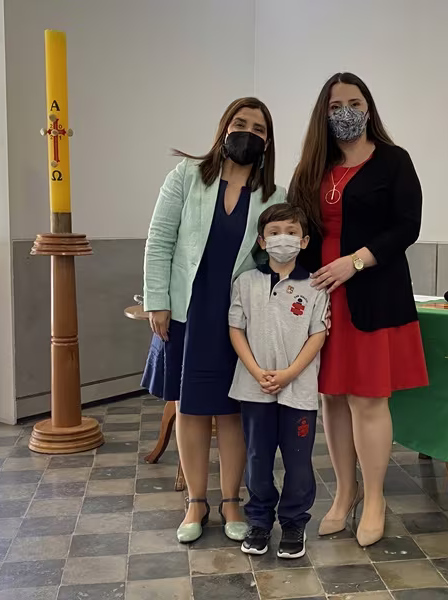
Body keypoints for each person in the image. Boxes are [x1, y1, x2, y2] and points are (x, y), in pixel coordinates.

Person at [289, 73, 429, 547]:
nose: (345, 112)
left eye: (354, 102)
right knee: (332, 397)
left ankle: (374, 499)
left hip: (373, 292)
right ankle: (344, 493)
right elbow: (296, 226)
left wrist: (355, 261)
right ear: (322, 114)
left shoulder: (393, 160)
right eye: (335, 106)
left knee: (368, 399)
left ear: (369, 108)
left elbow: (407, 225)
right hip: (321, 297)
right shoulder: (312, 166)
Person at [142, 97, 286, 544]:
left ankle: (230, 502)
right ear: (224, 128)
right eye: (240, 124)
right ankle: (195, 503)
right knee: (189, 407)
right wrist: (157, 301)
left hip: (237, 319)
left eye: (258, 129)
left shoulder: (273, 196)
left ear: (267, 142)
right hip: (189, 309)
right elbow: (160, 240)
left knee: (231, 411)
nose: (248, 133)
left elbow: (273, 258)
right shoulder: (186, 177)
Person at [228, 204, 328, 559]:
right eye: (273, 232)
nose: (282, 238)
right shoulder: (245, 282)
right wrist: (257, 371)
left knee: (298, 462)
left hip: (298, 390)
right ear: (261, 241)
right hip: (254, 388)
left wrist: (289, 374)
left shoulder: (315, 285)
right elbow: (236, 329)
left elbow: (318, 334)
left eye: (290, 232)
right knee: (257, 458)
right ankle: (258, 521)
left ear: (304, 241)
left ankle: (294, 522)